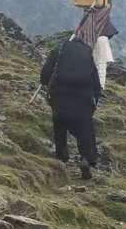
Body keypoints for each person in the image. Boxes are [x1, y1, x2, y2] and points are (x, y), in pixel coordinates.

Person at [39, 32, 103, 179]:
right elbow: (95, 82)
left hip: (60, 97)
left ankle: (61, 158)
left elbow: (45, 74)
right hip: (83, 100)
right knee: (84, 130)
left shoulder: (59, 49)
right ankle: (86, 159)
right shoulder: (87, 53)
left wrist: (46, 84)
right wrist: (94, 101)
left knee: (59, 126)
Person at [73, 1, 118, 90]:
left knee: (98, 64)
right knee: (99, 65)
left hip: (96, 38)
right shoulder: (92, 12)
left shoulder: (97, 11)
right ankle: (98, 87)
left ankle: (98, 87)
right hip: (96, 39)